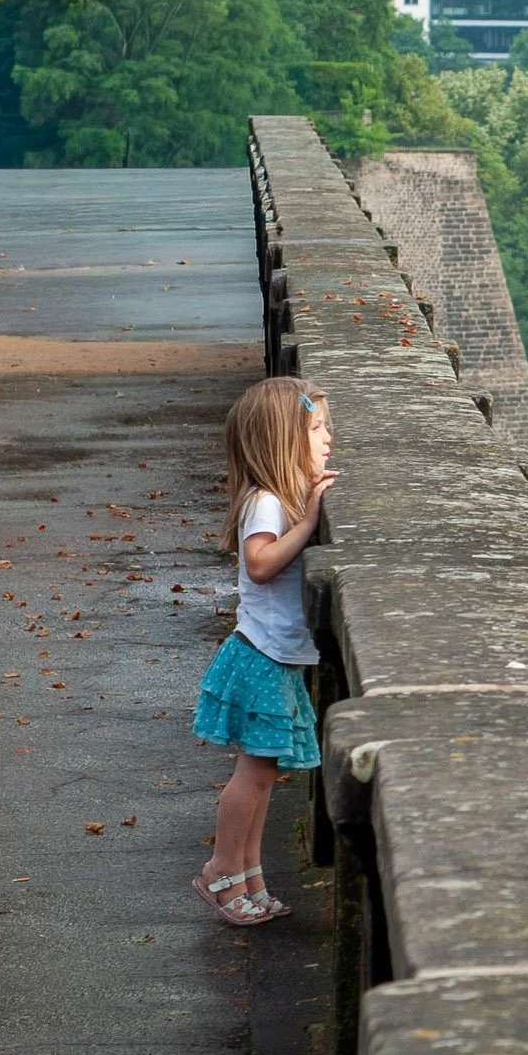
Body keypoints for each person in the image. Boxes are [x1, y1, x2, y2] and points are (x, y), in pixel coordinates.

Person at [191, 376, 336, 926]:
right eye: (316, 429)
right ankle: (220, 871)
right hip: (262, 656)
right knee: (251, 777)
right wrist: (309, 522)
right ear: (281, 440)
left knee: (263, 775)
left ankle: (249, 875)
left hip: (277, 656)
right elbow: (260, 562)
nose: (327, 440)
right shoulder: (267, 502)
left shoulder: (281, 498)